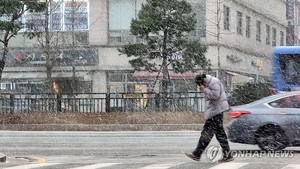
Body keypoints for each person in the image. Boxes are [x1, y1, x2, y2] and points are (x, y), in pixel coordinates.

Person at [185, 74, 234, 162]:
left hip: (216, 111)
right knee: (218, 134)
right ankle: (227, 154)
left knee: (209, 133)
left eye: (201, 84)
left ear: (204, 79)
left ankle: (197, 153)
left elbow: (215, 95)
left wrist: (205, 90)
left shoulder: (214, 82)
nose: (201, 86)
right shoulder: (209, 82)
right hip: (214, 111)